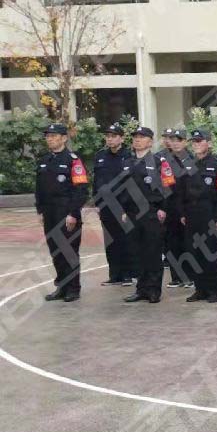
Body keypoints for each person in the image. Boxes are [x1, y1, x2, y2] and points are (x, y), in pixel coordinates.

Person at [35, 123, 89, 303]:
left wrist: (73, 213)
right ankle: (62, 286)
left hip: (66, 213)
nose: (49, 139)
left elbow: (81, 190)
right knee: (56, 251)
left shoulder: (73, 160)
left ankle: (73, 288)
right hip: (49, 213)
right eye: (48, 136)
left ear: (64, 138)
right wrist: (40, 210)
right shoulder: (44, 160)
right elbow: (39, 188)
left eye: (53, 136)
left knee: (69, 251)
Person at [121, 127, 175, 304]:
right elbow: (122, 188)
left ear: (150, 142)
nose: (137, 140)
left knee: (152, 252)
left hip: (152, 212)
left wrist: (163, 208)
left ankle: (153, 290)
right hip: (132, 213)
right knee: (137, 253)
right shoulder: (127, 162)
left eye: (142, 137)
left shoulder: (159, 162)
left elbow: (168, 187)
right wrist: (123, 210)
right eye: (135, 137)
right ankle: (141, 289)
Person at [176, 130, 217, 303]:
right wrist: (182, 213)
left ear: (209, 143)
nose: (196, 145)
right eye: (194, 142)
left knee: (210, 253)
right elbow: (181, 191)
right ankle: (200, 289)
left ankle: (213, 290)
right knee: (194, 253)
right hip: (192, 215)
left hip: (210, 214)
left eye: (200, 141)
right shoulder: (188, 164)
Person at [92, 123, 136, 286]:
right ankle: (115, 275)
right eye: (108, 136)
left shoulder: (129, 156)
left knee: (126, 240)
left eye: (114, 136)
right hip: (105, 205)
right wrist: (97, 202)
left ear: (122, 138)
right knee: (110, 241)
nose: (110, 139)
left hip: (123, 205)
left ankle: (128, 274)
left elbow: (131, 184)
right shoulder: (100, 156)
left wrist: (127, 207)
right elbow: (96, 182)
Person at [161, 129, 193, 288]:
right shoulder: (165, 161)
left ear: (185, 142)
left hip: (187, 208)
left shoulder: (192, 160)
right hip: (170, 207)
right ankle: (176, 277)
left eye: (178, 140)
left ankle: (190, 276)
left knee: (188, 243)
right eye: (172, 140)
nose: (175, 143)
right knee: (172, 243)